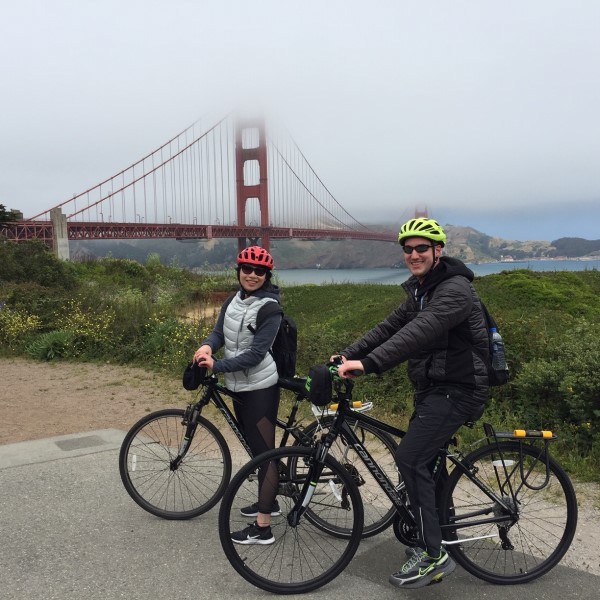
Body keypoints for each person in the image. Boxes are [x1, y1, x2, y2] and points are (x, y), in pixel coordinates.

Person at [334, 217, 490, 589]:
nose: (414, 254)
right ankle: (434, 537)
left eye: (422, 248)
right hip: (434, 389)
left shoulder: (454, 290)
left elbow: (418, 333)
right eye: (408, 249)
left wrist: (369, 364)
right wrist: (344, 355)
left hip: (460, 389)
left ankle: (434, 557)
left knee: (410, 458)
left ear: (439, 251)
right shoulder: (421, 290)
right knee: (428, 464)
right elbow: (387, 329)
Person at [193, 245, 282, 545]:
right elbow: (220, 332)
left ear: (267, 276)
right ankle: (270, 500)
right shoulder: (234, 299)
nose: (252, 275)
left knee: (265, 454)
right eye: (247, 269)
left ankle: (263, 528)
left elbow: (257, 354)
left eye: (259, 271)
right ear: (239, 271)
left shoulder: (270, 308)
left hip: (260, 387)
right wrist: (208, 346)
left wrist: (218, 365)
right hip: (238, 386)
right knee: (257, 449)